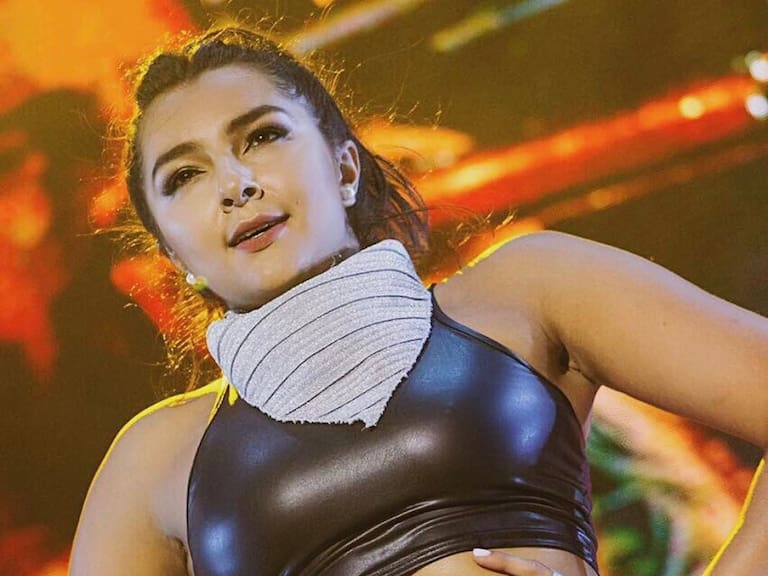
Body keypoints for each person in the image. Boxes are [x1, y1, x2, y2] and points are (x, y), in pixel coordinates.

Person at [69, 27, 767, 576]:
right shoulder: (154, 460)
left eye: (262, 136)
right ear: (171, 252)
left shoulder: (528, 291)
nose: (235, 184)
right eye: (184, 175)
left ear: (345, 166)